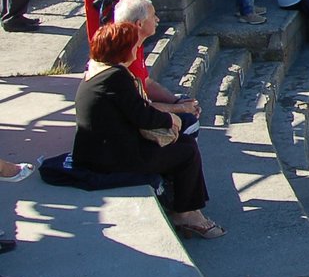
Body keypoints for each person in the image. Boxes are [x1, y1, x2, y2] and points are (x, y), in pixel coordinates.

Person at [74, 22, 222, 239]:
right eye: (133, 46)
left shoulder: (98, 71)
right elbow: (142, 116)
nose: (136, 50)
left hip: (100, 151)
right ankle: (186, 214)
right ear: (123, 49)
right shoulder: (115, 77)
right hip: (110, 159)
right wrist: (172, 118)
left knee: (183, 144)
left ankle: (187, 206)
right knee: (186, 151)